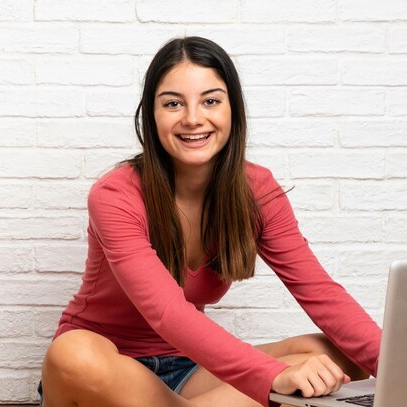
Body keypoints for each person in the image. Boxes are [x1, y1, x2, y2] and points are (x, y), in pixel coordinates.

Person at [39, 36, 381, 407]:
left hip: (187, 370)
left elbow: (321, 294)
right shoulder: (115, 194)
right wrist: (272, 376)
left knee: (332, 356)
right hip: (106, 371)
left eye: (211, 101)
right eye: (173, 103)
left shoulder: (258, 190)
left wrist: (401, 366)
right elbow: (167, 313)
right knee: (72, 353)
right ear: (151, 115)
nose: (193, 119)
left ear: (232, 109)